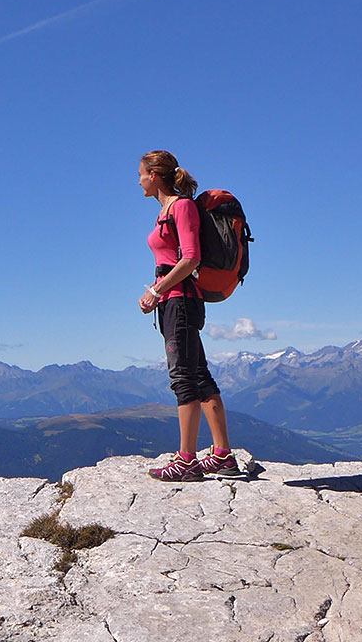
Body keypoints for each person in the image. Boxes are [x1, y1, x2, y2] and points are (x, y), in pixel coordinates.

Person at [137, 150, 237, 481]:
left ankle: (186, 461)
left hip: (180, 302)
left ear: (154, 175)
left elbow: (191, 258)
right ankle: (222, 454)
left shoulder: (180, 207)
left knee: (183, 379)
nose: (138, 181)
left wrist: (157, 290)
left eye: (141, 174)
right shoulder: (168, 210)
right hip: (177, 301)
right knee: (199, 375)